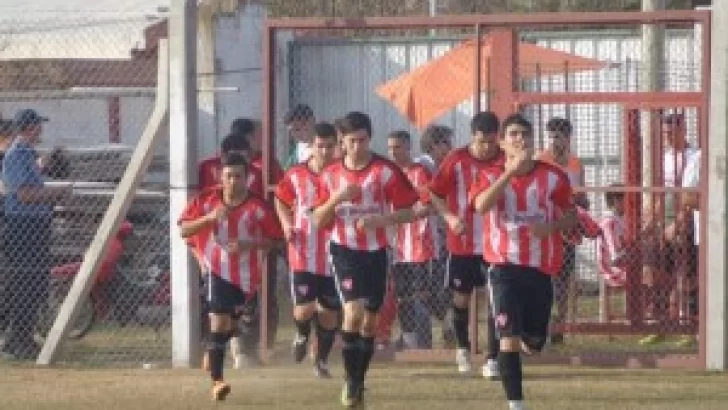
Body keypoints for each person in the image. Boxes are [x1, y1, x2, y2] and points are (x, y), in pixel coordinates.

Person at [309, 111, 422, 407]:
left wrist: (381, 220)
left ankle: (358, 381)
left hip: (377, 252)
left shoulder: (385, 171)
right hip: (344, 250)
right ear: (341, 143)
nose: (357, 147)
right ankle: (351, 382)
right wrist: (337, 199)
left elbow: (411, 211)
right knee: (353, 313)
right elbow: (319, 221)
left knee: (370, 323)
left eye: (362, 140)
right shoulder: (331, 175)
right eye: (351, 141)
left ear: (369, 139)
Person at [470, 113, 577, 410]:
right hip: (502, 267)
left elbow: (570, 215)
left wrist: (551, 228)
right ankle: (516, 404)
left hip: (539, 269)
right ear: (502, 142)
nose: (520, 140)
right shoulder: (490, 174)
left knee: (534, 342)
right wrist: (508, 174)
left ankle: (531, 342)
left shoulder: (553, 176)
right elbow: (480, 205)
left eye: (525, 134)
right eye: (513, 134)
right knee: (509, 339)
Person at [178, 152, 284, 401]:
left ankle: (212, 349)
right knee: (219, 322)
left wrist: (250, 244)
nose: (233, 181)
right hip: (216, 270)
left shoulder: (257, 207)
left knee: (231, 325)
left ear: (247, 178)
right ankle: (218, 381)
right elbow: (184, 230)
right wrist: (208, 219)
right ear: (220, 176)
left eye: (238, 176)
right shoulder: (207, 200)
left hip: (246, 278)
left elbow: (277, 239)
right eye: (228, 176)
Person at [427, 111, 502, 377]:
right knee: (461, 298)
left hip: (497, 243)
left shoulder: (506, 160)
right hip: (463, 242)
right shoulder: (456, 159)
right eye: (482, 142)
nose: (487, 148)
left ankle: (493, 358)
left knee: (496, 299)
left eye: (492, 142)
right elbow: (434, 193)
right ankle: (462, 348)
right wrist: (449, 217)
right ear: (473, 137)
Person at [1, 109, 69, 360]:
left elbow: (33, 183)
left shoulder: (28, 155)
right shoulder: (17, 154)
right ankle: (17, 341)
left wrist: (46, 166)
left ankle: (23, 338)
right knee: (25, 283)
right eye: (38, 126)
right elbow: (23, 195)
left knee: (36, 282)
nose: (41, 130)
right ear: (29, 128)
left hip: (35, 224)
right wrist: (58, 193)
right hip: (22, 225)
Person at [274, 122, 340, 378]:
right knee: (304, 309)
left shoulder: (340, 174)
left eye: (329, 146)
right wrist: (287, 223)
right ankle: (301, 334)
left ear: (336, 147)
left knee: (329, 313)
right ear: (311, 147)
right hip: (302, 251)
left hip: (334, 253)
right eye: (320, 146)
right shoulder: (295, 174)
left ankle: (321, 361)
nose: (324, 151)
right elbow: (281, 200)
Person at [639, 113, 700, 347]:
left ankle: (689, 326)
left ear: (683, 130)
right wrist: (652, 220)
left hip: (687, 223)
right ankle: (658, 323)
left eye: (671, 132)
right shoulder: (665, 158)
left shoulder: (694, 157)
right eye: (664, 133)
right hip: (664, 222)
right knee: (651, 269)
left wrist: (679, 222)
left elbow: (692, 196)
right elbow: (663, 193)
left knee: (685, 276)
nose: (667, 137)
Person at [535, 117, 586, 345]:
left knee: (563, 279)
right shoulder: (540, 160)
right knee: (543, 276)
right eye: (551, 136)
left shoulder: (575, 164)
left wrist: (581, 202)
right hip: (547, 226)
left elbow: (581, 194)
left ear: (568, 138)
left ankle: (560, 325)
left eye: (559, 136)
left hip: (567, 227)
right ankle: (541, 321)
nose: (554, 141)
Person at [386, 130, 434, 349]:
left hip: (418, 242)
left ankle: (423, 342)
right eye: (390, 148)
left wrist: (407, 214)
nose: (393, 152)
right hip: (397, 244)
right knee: (402, 294)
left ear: (408, 148)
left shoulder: (419, 173)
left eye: (397, 147)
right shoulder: (389, 174)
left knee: (421, 294)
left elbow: (427, 204)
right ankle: (409, 341)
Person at [416, 124, 455, 347]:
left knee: (443, 283)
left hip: (443, 233)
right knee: (427, 287)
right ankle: (443, 325)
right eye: (446, 143)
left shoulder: (445, 164)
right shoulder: (424, 165)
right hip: (425, 236)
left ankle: (447, 324)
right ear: (434, 145)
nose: (450, 147)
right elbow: (427, 194)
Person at [598, 185, 628, 288]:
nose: (630, 202)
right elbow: (616, 257)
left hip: (625, 263)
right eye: (627, 198)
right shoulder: (609, 222)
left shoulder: (625, 218)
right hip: (611, 268)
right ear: (616, 201)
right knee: (648, 275)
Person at [284, 104, 316, 168]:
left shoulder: (327, 144)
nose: (294, 135)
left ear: (311, 121)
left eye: (297, 129)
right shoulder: (296, 151)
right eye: (291, 131)